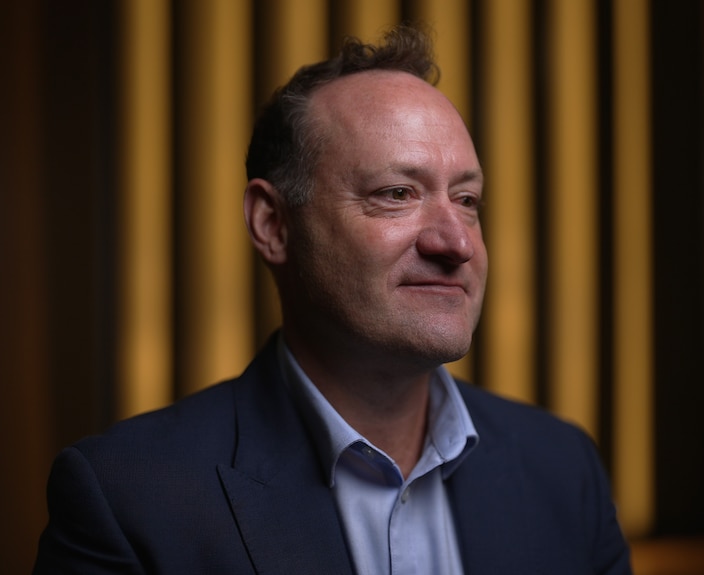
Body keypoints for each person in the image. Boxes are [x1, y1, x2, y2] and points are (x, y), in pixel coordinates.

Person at [34, 24, 631, 574]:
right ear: (272, 224)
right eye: (397, 193)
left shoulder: (564, 470)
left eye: (467, 201)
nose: (456, 243)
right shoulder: (128, 500)